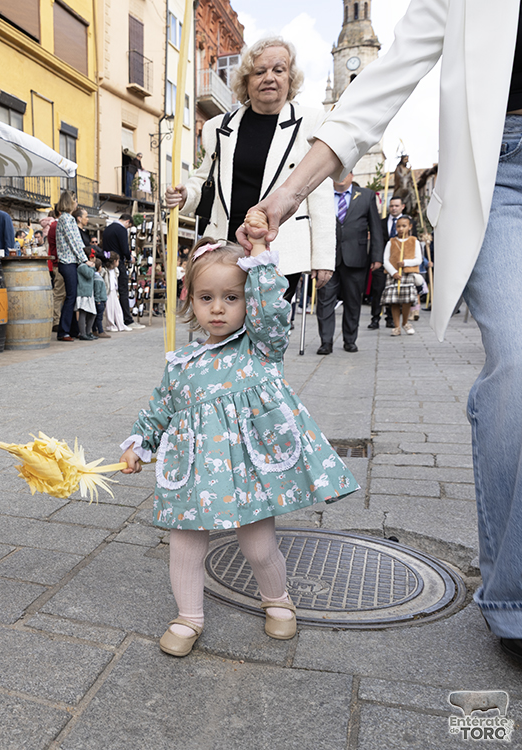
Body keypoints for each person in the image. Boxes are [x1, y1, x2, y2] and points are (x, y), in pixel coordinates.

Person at [236, 0, 522, 666]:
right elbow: (378, 88)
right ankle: (513, 600)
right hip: (503, 169)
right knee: (517, 369)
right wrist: (281, 200)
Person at [119, 235, 358, 656]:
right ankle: (188, 616)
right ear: (190, 301)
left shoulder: (260, 348)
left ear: (248, 301)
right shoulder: (181, 365)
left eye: (231, 297)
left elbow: (272, 313)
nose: (217, 308)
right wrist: (139, 443)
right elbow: (160, 408)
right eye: (206, 297)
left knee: (259, 546)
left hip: (251, 470)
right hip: (196, 472)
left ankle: (278, 599)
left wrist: (260, 265)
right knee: (184, 544)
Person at [165, 37, 335, 302]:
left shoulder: (311, 122)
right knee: (225, 321)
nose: (269, 77)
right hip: (227, 242)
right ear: (245, 80)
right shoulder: (218, 127)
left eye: (278, 70)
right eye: (259, 71)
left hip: (281, 245)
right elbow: (205, 177)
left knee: (267, 325)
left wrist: (323, 256)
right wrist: (186, 194)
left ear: (290, 78)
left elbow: (320, 191)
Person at [315, 172, 383, 355]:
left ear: (351, 175)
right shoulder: (322, 194)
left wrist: (377, 256)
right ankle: (326, 342)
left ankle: (350, 340)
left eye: (345, 173)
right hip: (328, 258)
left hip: (356, 257)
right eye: (336, 173)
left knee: (353, 302)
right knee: (325, 301)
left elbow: (375, 226)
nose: (340, 177)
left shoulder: (366, 195)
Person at [370, 195, 414, 329]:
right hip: (382, 262)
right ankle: (375, 318)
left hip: (399, 264)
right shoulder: (381, 222)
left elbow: (412, 242)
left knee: (394, 291)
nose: (393, 208)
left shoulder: (409, 223)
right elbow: (375, 241)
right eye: (391, 206)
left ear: (402, 207)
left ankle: (391, 318)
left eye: (396, 206)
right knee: (378, 290)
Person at [54, 192, 88, 341]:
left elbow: (78, 242)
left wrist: (85, 257)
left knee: (72, 297)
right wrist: (84, 259)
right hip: (67, 262)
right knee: (71, 296)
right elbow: (73, 241)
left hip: (71, 261)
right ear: (69, 202)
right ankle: (63, 331)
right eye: (74, 200)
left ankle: (73, 330)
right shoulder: (65, 219)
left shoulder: (69, 219)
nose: (76, 202)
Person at [382, 215, 422, 336]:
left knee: (406, 300)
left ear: (410, 227)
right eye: (398, 226)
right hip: (393, 274)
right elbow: (385, 259)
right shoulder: (391, 242)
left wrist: (405, 263)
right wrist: (393, 272)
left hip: (407, 274)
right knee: (394, 301)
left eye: (404, 226)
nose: (401, 229)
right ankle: (397, 326)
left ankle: (405, 322)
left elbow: (418, 259)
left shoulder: (414, 241)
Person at [101, 212, 142, 329]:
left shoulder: (107, 229)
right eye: (129, 226)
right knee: (123, 291)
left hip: (108, 264)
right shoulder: (121, 230)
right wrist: (130, 258)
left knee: (111, 292)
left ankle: (113, 319)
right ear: (127, 222)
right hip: (118, 263)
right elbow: (124, 248)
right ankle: (127, 319)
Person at [103, 252, 131, 332]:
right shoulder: (106, 270)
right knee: (109, 309)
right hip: (108, 291)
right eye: (118, 261)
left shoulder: (115, 270)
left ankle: (120, 324)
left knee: (117, 308)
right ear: (114, 261)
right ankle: (110, 325)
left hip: (114, 290)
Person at [74, 250, 97, 341]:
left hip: (89, 293)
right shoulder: (82, 266)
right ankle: (83, 333)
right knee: (83, 312)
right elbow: (89, 275)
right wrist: (92, 268)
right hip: (83, 293)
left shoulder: (86, 266)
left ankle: (88, 332)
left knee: (92, 313)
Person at [92, 257, 109, 338]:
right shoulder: (98, 279)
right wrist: (98, 300)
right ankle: (100, 331)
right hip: (100, 301)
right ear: (99, 267)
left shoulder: (94, 277)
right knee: (99, 317)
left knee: (96, 317)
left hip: (100, 300)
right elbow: (97, 291)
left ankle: (94, 330)